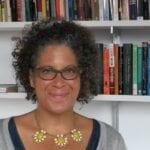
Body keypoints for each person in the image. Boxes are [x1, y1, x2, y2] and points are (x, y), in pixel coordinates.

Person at [0, 20, 126, 150]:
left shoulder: (111, 141)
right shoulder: (2, 137)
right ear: (31, 78)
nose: (59, 83)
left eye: (69, 71)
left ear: (82, 76)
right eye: (47, 71)